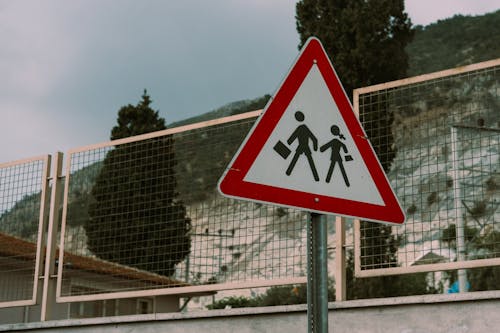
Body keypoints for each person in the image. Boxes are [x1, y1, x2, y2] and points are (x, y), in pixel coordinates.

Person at [285, 111, 319, 181]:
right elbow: (314, 139)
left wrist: (289, 142)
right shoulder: (304, 128)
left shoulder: (300, 128)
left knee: (297, 159)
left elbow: (293, 137)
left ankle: (288, 172)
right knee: (309, 161)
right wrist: (315, 147)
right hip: (304, 147)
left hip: (302, 146)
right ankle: (316, 177)